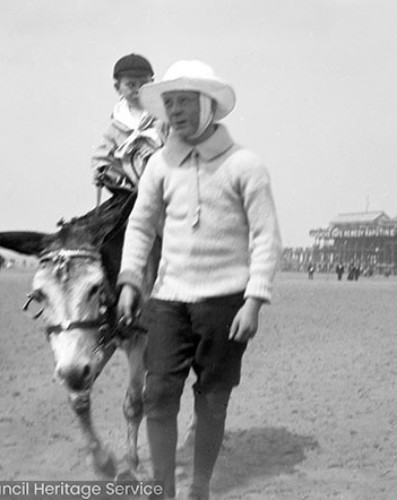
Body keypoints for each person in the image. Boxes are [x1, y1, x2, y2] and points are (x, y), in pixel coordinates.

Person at [116, 60, 282, 499]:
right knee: (158, 396)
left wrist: (254, 301)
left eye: (185, 101)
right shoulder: (159, 166)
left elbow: (266, 236)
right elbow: (140, 224)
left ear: (209, 105)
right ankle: (164, 490)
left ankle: (201, 485)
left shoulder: (246, 165)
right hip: (168, 300)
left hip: (225, 304)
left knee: (212, 397)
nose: (176, 111)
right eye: (169, 103)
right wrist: (131, 280)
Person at [91, 53, 168, 193]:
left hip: (167, 184)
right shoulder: (117, 126)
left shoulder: (163, 115)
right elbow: (104, 155)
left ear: (152, 83)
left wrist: (159, 153)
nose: (138, 90)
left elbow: (179, 144)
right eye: (131, 85)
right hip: (134, 191)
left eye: (144, 84)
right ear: (117, 87)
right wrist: (103, 171)